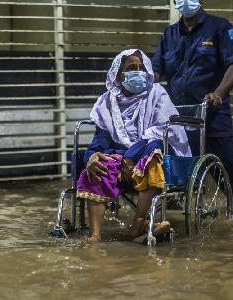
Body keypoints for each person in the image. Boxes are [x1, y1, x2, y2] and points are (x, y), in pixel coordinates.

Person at [76, 49, 192, 242]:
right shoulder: (106, 102)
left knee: (151, 160)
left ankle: (138, 223)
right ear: (119, 75)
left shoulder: (157, 94)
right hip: (120, 155)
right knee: (98, 167)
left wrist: (130, 156)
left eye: (141, 67)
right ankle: (95, 235)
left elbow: (162, 132)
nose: (138, 72)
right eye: (131, 68)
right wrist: (91, 157)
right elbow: (101, 140)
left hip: (152, 149)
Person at [152, 0, 233, 205]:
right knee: (177, 179)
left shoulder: (219, 27)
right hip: (178, 118)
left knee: (230, 174)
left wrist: (219, 93)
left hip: (212, 114)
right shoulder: (169, 35)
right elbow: (156, 70)